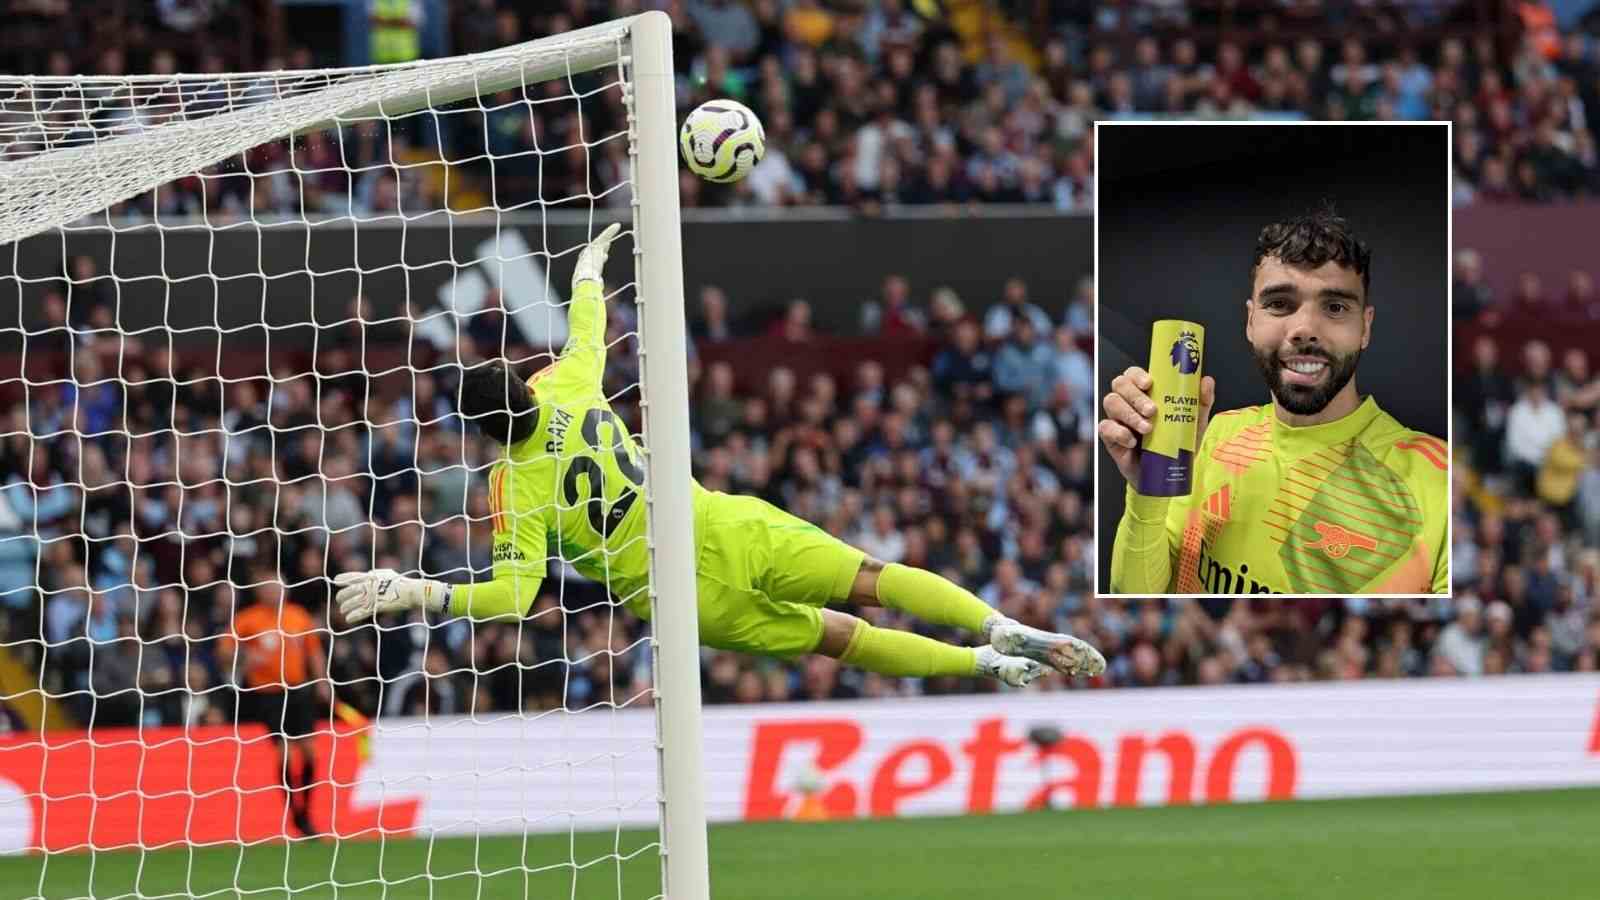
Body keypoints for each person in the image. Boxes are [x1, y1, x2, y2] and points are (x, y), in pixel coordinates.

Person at [336, 224, 1104, 686]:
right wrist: (589, 272)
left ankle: (983, 667)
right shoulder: (564, 383)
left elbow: (512, 600)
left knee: (842, 639)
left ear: (482, 434)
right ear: (523, 386)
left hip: (677, 592)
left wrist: (417, 591)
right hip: (718, 522)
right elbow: (586, 331)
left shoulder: (513, 487)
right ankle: (994, 623)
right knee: (870, 581)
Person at [1100, 209, 1447, 595]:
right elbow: (1138, 593)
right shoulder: (1216, 436)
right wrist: (1147, 494)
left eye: (1335, 307)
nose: (1304, 329)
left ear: (1365, 326)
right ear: (1250, 322)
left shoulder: (1437, 481)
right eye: (1280, 304)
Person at [219, 578, 328, 837]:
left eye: (279, 586)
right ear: (259, 591)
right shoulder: (248, 619)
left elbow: (313, 651)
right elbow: (223, 650)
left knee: (311, 753)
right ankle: (295, 813)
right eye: (269, 587)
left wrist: (322, 681)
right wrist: (245, 656)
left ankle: (305, 812)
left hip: (299, 690)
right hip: (269, 694)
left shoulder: (297, 616)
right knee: (286, 753)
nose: (275, 591)